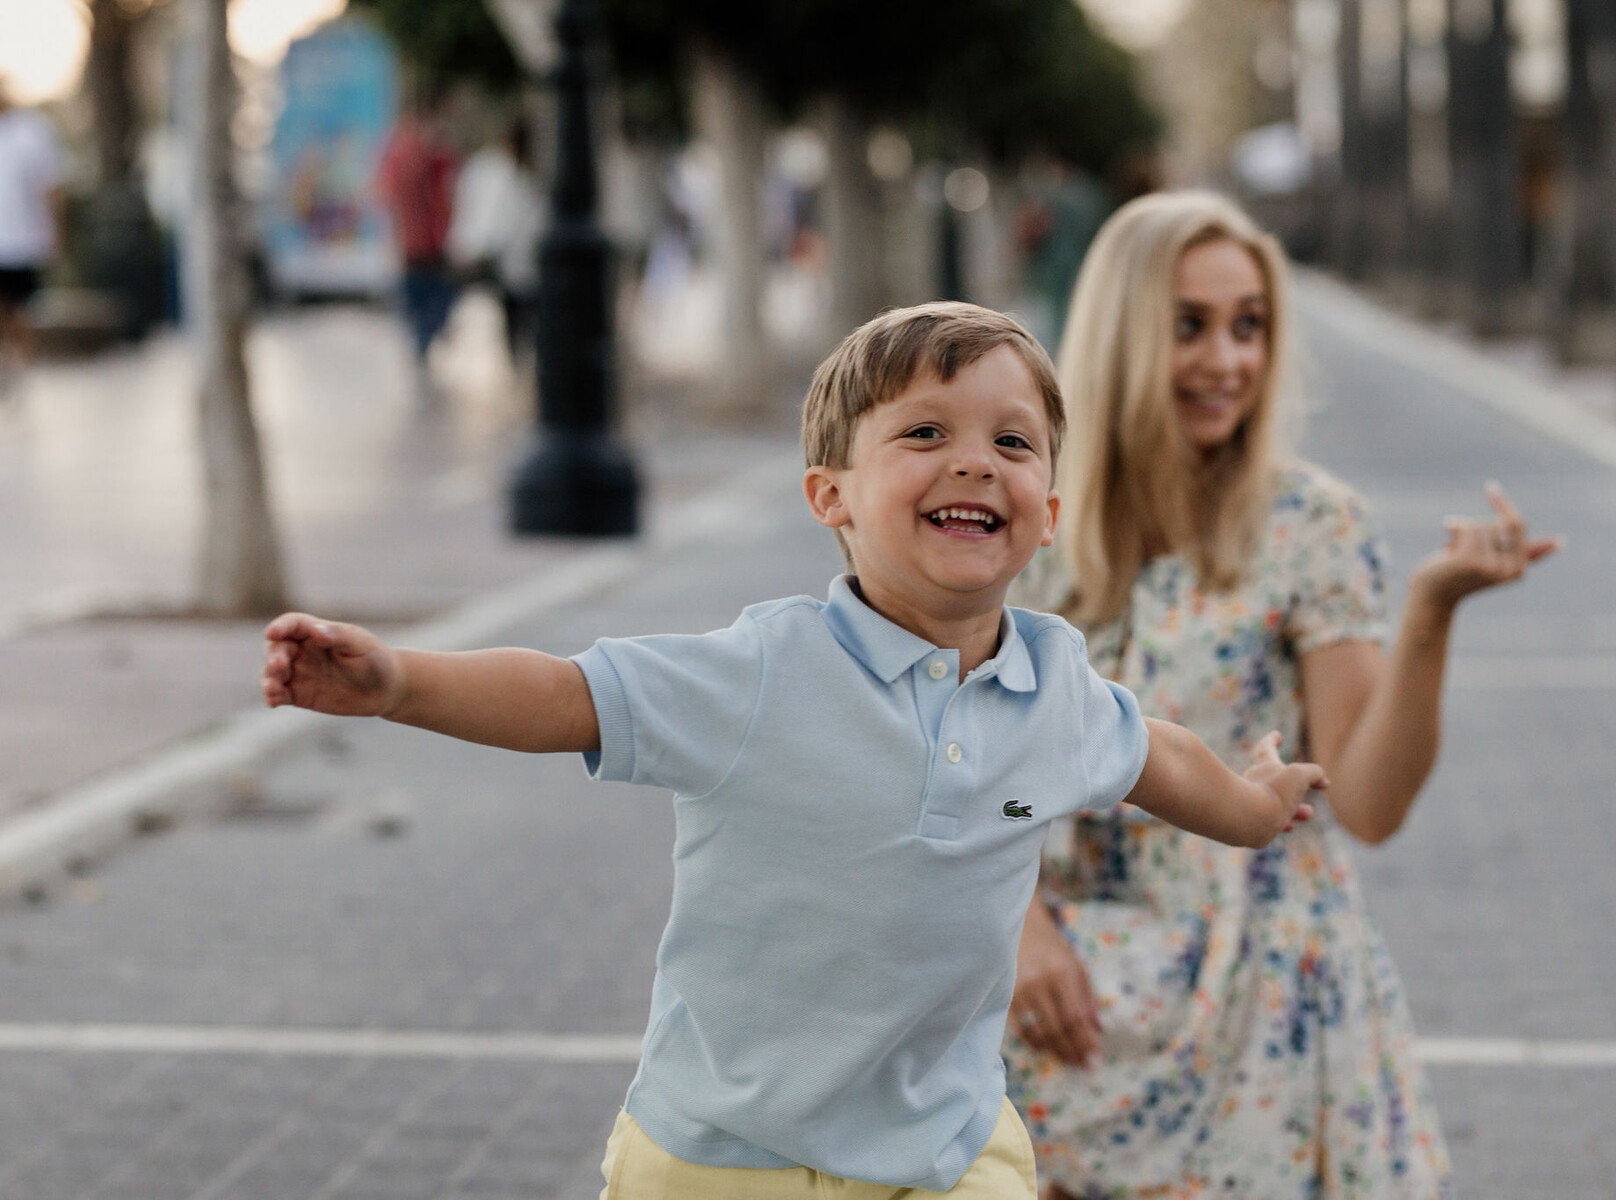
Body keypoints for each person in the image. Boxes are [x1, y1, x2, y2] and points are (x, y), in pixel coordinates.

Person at [261, 301, 1329, 1200]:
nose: (974, 460)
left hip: (943, 1154)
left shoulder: (1057, 689)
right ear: (833, 497)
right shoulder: (764, 671)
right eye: (924, 435)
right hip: (727, 1156)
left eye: (1011, 443)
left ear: (1047, 513)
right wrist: (397, 682)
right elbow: (566, 695)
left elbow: (1160, 755)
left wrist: (1246, 806)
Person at [1002, 193, 1559, 1200]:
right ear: (1122, 334)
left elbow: (1374, 807)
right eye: (1190, 326)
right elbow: (942, 756)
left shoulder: (1311, 521)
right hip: (1068, 995)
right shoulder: (1024, 520)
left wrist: (1431, 611)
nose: (1228, 359)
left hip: (1265, 992)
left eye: (1249, 325)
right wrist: (1019, 928)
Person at [376, 91, 459, 388]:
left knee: (430, 302)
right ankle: (423, 349)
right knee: (427, 302)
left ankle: (424, 347)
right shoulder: (411, 153)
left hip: (426, 245)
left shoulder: (422, 153)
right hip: (418, 246)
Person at [447, 116, 545, 366]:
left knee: (527, 330)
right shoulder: (501, 175)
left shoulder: (524, 178)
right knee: (517, 330)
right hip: (515, 270)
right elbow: (492, 224)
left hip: (530, 270)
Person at [0, 77, 65, 388]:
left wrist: (54, 232)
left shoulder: (31, 131)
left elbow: (51, 187)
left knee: (22, 311)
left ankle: (20, 368)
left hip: (23, 241)